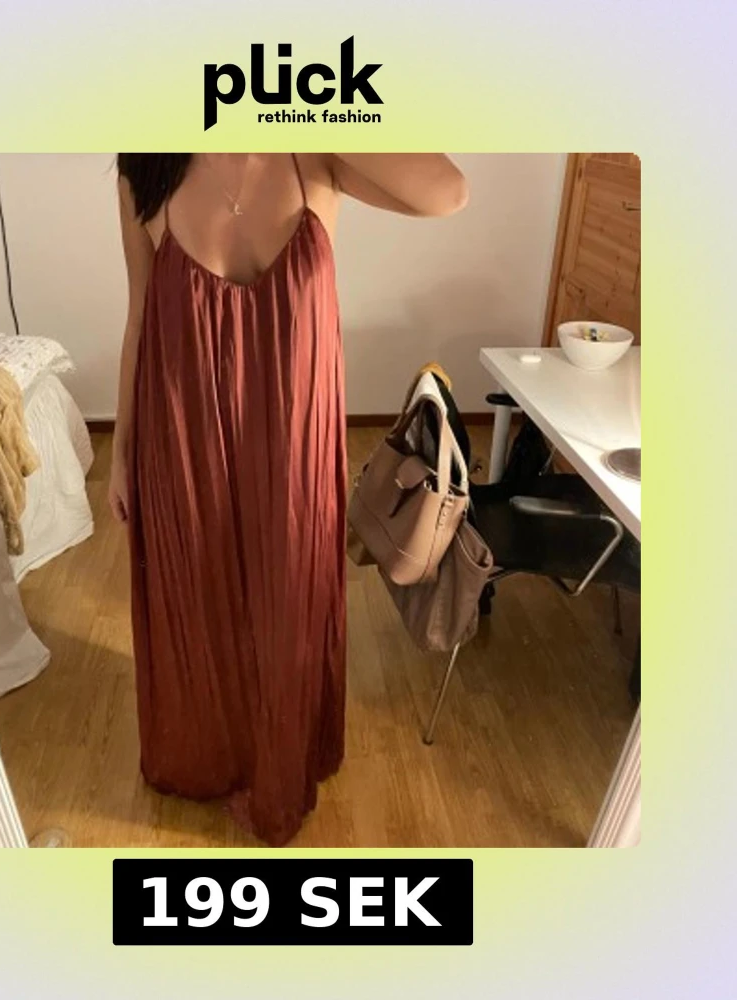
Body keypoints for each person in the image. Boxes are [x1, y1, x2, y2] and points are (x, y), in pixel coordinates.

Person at [111, 153, 468, 845]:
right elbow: (139, 318)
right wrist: (121, 453)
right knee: (200, 601)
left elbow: (448, 193)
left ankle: (280, 755)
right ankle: (208, 756)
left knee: (290, 608)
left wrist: (315, 106)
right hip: (183, 439)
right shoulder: (146, 165)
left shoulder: (319, 152)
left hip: (295, 448)